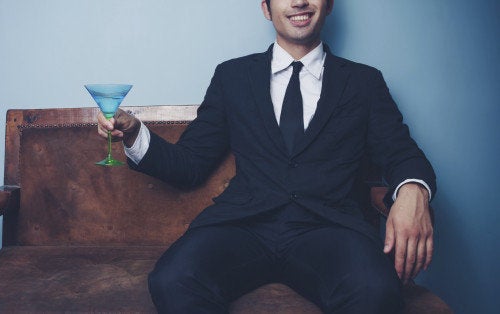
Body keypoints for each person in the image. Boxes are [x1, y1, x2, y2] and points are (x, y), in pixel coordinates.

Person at [97, 0, 436, 313]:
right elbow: (190, 164)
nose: (299, 1)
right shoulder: (232, 77)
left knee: (376, 290)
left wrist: (412, 191)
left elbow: (403, 153)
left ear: (329, 5)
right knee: (171, 280)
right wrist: (134, 134)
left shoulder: (364, 81)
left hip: (331, 229)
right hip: (244, 226)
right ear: (266, 8)